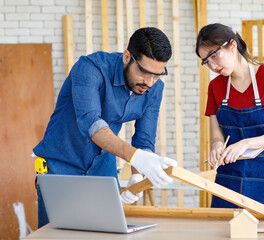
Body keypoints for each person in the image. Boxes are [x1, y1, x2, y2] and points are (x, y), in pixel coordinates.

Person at [33, 27, 177, 228]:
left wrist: (137, 175)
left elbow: (144, 140)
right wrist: (137, 157)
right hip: (62, 163)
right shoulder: (91, 68)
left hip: (103, 166)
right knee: (57, 233)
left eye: (157, 75)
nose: (150, 82)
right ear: (127, 57)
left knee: (108, 231)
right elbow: (91, 122)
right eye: (144, 72)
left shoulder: (154, 89)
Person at [195, 23, 264, 211]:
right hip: (230, 175)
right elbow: (217, 136)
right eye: (206, 61)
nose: (212, 65)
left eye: (214, 56)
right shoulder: (215, 87)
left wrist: (244, 144)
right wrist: (216, 147)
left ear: (232, 45)